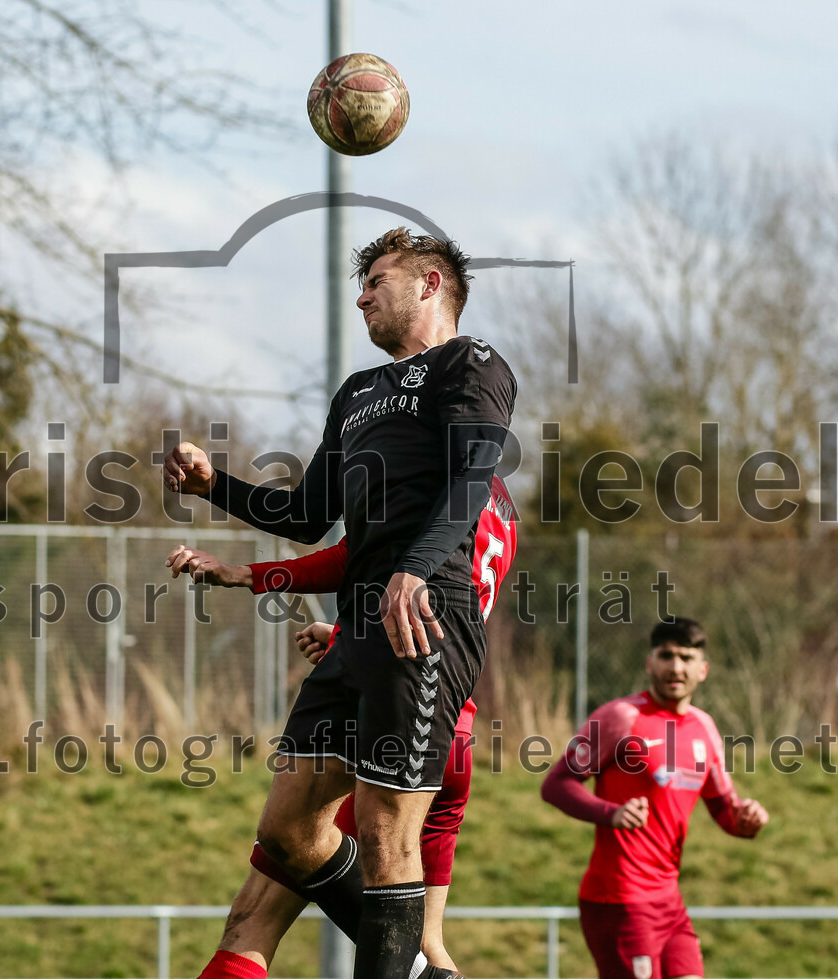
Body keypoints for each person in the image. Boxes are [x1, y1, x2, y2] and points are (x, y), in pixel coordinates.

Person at [163, 228, 516, 979]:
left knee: (387, 833)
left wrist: (415, 570)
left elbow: (471, 479)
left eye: (376, 281)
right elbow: (307, 514)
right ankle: (425, 974)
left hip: (424, 620)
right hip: (360, 625)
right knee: (288, 830)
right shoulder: (357, 393)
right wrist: (213, 487)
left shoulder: (471, 362)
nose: (361, 297)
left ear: (429, 282)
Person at [168, 473, 517, 979]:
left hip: (388, 716)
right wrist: (345, 638)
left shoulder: (427, 462)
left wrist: (248, 573)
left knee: (255, 918)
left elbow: (356, 556)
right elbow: (442, 591)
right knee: (424, 944)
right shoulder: (500, 500)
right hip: (449, 728)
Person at [540, 618, 769, 979]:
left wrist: (748, 820)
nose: (675, 667)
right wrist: (610, 813)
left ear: (703, 669)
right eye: (666, 655)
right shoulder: (621, 717)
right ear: (650, 663)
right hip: (618, 900)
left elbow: (726, 810)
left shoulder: (704, 728)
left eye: (686, 657)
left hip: (669, 902)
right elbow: (556, 784)